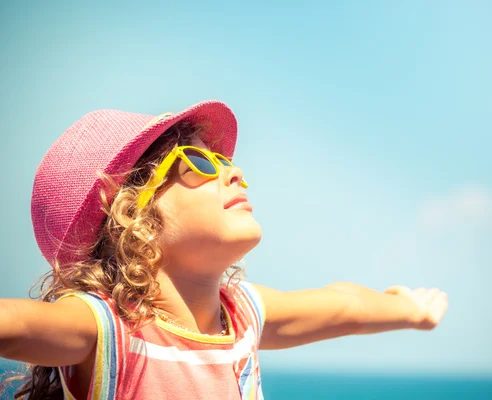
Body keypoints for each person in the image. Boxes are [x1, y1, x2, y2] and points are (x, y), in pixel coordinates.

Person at [0, 100, 448, 400]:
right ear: (128, 215)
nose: (234, 174)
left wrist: (409, 310)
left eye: (228, 163)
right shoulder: (110, 330)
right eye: (199, 162)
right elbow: (16, 323)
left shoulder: (242, 316)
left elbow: (343, 306)